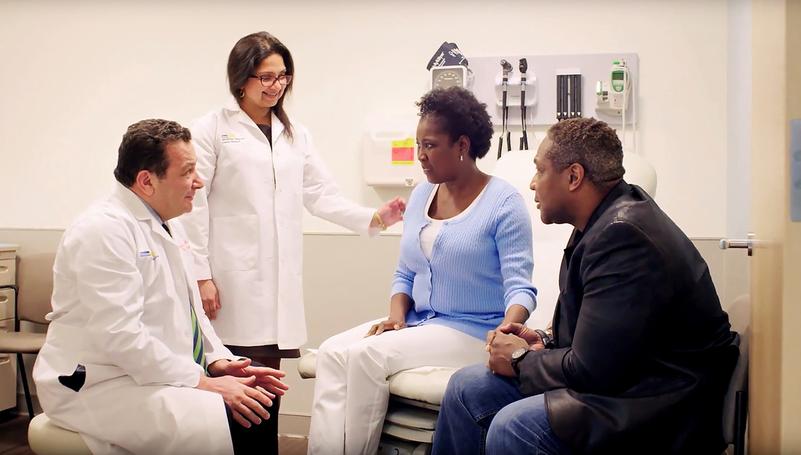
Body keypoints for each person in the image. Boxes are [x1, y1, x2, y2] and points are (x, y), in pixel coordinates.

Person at [432, 117, 739, 454]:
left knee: (515, 427)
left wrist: (520, 359)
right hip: (628, 380)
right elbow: (604, 337)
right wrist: (543, 341)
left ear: (574, 176)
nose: (533, 184)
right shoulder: (600, 222)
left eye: (540, 170)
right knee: (467, 388)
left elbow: (592, 370)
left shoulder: (623, 236)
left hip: (659, 404)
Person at [178, 31, 405, 439]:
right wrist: (201, 275)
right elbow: (193, 203)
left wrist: (374, 218)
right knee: (231, 392)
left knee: (267, 391)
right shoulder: (211, 128)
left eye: (282, 76)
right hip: (228, 282)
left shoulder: (295, 133)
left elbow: (319, 194)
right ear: (240, 79)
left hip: (276, 286)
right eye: (265, 77)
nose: (276, 85)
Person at [33, 119, 289, 455]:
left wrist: (217, 363)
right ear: (146, 181)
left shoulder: (168, 225)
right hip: (97, 384)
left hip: (145, 373)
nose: (198, 182)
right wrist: (203, 382)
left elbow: (192, 315)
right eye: (187, 172)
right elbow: (120, 337)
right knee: (225, 413)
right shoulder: (101, 231)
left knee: (258, 399)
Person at [307, 86, 538, 454]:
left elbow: (520, 286)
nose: (420, 157)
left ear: (462, 145)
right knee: (333, 352)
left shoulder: (503, 203)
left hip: (472, 329)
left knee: (366, 356)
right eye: (418, 146)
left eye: (429, 146)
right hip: (419, 322)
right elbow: (405, 272)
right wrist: (396, 317)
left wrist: (507, 330)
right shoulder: (421, 196)